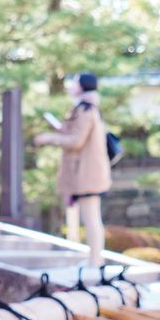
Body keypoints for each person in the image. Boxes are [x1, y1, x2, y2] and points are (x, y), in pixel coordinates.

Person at [34, 72, 111, 265]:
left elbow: (77, 141)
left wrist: (49, 138)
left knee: (91, 217)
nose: (70, 86)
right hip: (87, 171)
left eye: (74, 83)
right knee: (91, 217)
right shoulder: (87, 109)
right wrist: (61, 130)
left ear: (82, 86)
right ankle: (94, 259)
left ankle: (95, 261)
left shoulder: (86, 110)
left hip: (86, 172)